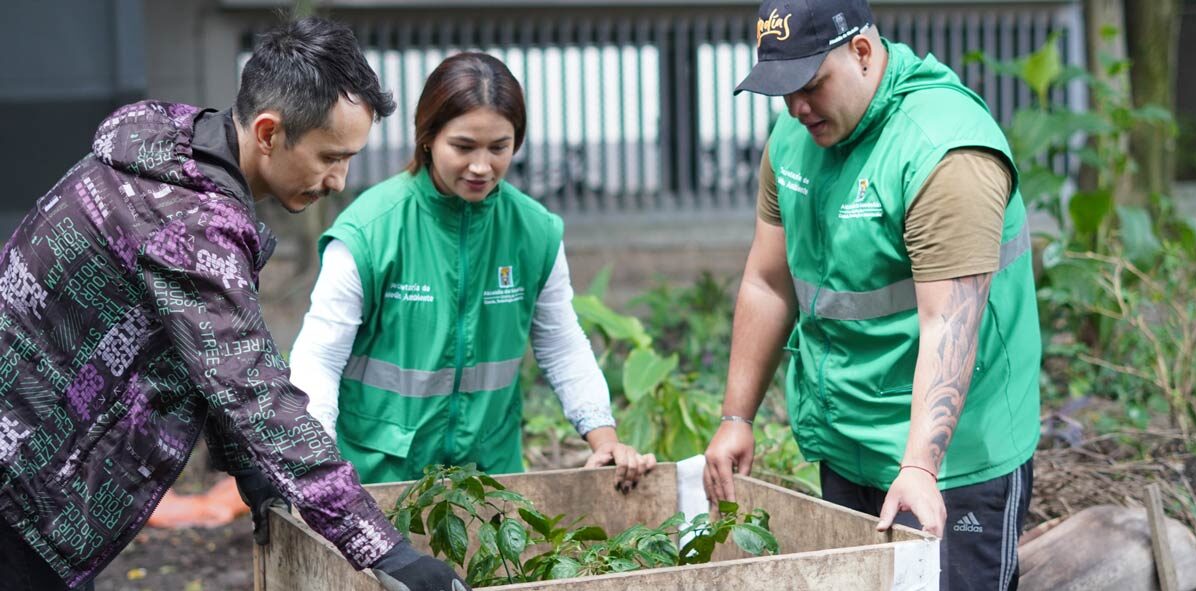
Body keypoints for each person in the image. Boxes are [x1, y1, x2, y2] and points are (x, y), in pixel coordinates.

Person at [0, 17, 466, 591]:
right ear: (268, 132)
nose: (340, 180)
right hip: (20, 494)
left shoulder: (169, 157)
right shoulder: (191, 223)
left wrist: (259, 479)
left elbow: (206, 364)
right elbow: (251, 388)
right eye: (330, 157)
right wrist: (387, 553)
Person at [702, 1, 1040, 589]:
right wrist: (737, 417)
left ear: (861, 52)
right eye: (782, 90)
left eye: (809, 84)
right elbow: (768, 280)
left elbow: (948, 323)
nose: (796, 107)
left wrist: (919, 466)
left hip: (955, 462)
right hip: (848, 441)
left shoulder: (944, 152)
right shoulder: (793, 138)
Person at [288, 52, 655, 492]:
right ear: (428, 138)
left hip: (490, 480)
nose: (482, 167)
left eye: (499, 148)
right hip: (378, 480)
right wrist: (321, 464)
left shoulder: (534, 231)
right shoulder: (370, 231)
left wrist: (603, 436)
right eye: (463, 147)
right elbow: (319, 357)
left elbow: (561, 343)